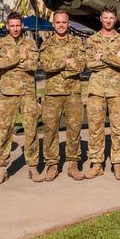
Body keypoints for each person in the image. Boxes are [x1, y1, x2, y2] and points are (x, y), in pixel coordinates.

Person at [0, 11, 42, 184]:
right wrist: (21, 57)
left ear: (22, 26)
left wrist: (12, 59)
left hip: (28, 93)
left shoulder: (31, 43)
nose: (15, 29)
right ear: (7, 26)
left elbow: (33, 64)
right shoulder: (0, 43)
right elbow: (0, 63)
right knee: (4, 130)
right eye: (11, 25)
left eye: (17, 25)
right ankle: (1, 168)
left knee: (31, 130)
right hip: (8, 94)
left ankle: (33, 166)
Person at [83, 5, 120, 181]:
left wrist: (102, 56)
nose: (108, 21)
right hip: (96, 90)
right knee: (95, 129)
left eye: (111, 18)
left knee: (119, 129)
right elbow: (90, 64)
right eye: (105, 18)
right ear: (101, 19)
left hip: (117, 90)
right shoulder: (91, 40)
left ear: (115, 20)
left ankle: (117, 164)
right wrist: (113, 57)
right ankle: (97, 164)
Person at [40, 10, 86, 182]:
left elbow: (81, 65)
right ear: (53, 24)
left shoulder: (77, 43)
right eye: (58, 22)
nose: (61, 25)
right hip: (52, 93)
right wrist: (66, 62)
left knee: (74, 129)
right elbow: (45, 66)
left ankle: (73, 164)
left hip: (73, 92)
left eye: (64, 22)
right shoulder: (46, 44)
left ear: (68, 23)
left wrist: (58, 65)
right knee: (50, 129)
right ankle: (52, 164)